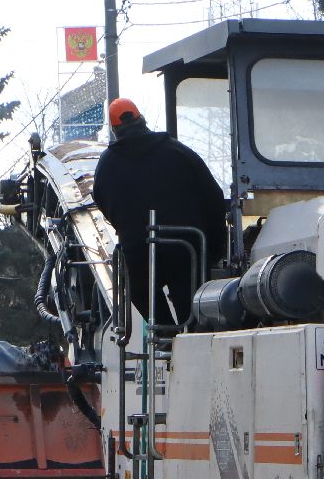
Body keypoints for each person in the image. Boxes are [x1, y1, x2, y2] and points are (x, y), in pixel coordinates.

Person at [92, 97, 229, 326]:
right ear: (142, 120)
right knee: (192, 313)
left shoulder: (106, 164)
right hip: (185, 247)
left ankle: (164, 333)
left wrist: (128, 228)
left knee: (144, 297)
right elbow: (213, 197)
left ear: (115, 130)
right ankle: (193, 332)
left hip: (138, 252)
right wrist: (215, 247)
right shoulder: (177, 151)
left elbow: (103, 202)